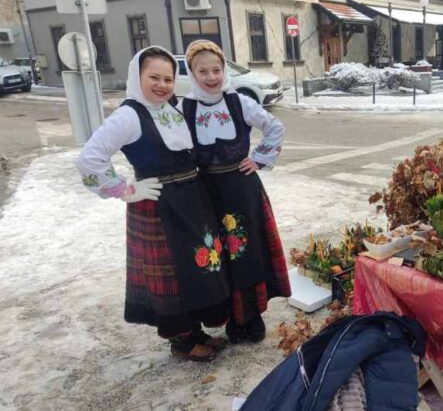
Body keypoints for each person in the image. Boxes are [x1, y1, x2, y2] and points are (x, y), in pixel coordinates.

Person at [75, 46, 230, 362]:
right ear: (137, 77)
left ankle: (196, 332)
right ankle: (182, 342)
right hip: (158, 205)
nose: (162, 85)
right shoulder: (130, 114)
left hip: (191, 200)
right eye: (153, 77)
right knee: (172, 273)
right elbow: (89, 159)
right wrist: (124, 190)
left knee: (196, 268)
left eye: (168, 78)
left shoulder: (169, 108)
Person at [182, 40, 291, 344]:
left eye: (216, 69)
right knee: (217, 256)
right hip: (207, 194)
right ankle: (231, 316)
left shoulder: (238, 102)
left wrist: (259, 158)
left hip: (242, 189)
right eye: (203, 71)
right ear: (192, 73)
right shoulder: (184, 108)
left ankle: (251, 317)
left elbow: (274, 127)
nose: (211, 76)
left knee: (247, 251)